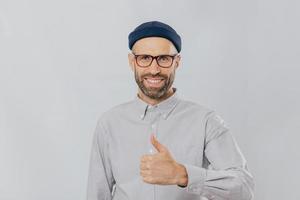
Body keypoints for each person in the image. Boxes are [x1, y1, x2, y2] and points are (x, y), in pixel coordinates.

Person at [86, 21, 254, 200]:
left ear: (177, 62)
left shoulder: (205, 121)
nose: (154, 69)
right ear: (131, 62)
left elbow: (244, 189)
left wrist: (183, 174)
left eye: (163, 59)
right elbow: (97, 195)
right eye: (144, 58)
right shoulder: (109, 123)